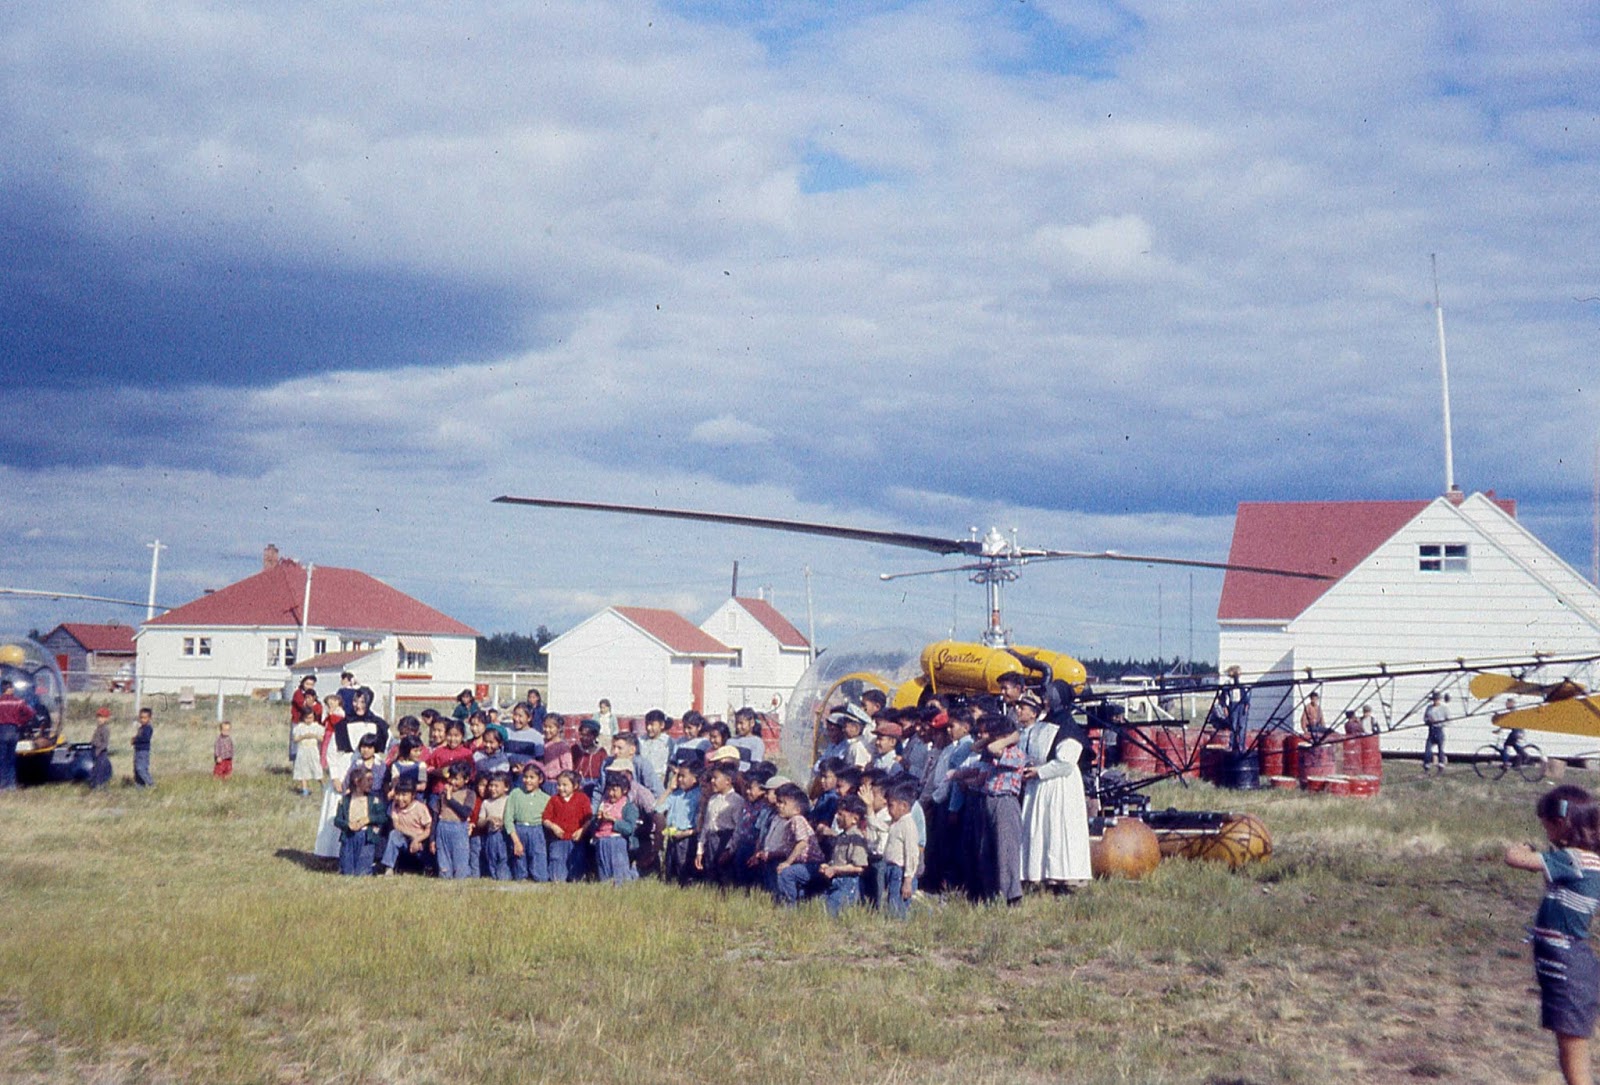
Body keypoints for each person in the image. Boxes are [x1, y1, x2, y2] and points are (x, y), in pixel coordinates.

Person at [1504, 785, 1600, 1085]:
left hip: (1567, 966)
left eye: (1545, 824)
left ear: (1561, 823)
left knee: (1572, 1051)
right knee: (1571, 1045)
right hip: (1568, 964)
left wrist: (1519, 848)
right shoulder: (1585, 861)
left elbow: (1516, 860)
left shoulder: (1573, 859)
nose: (1544, 831)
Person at [1019, 700, 1092, 890]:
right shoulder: (1043, 725)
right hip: (1040, 785)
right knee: (1041, 829)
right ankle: (1040, 876)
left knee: (1059, 830)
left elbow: (1066, 763)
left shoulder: (1068, 728)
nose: (1046, 701)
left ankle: (1064, 878)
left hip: (1061, 785)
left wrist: (1040, 771)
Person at [820, 795, 870, 916]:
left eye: (841, 814)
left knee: (833, 911)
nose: (837, 817)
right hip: (836, 880)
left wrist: (835, 869)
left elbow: (859, 867)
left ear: (854, 819)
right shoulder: (841, 837)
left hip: (848, 882)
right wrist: (828, 866)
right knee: (820, 907)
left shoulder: (856, 838)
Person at [335, 767, 387, 876]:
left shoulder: (374, 800)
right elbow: (337, 820)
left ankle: (372, 868)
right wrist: (348, 824)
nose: (371, 783)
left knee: (362, 872)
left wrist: (368, 819)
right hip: (349, 836)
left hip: (366, 837)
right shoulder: (344, 800)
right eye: (368, 780)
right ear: (357, 781)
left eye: (372, 779)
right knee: (347, 872)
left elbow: (383, 817)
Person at [542, 770, 592, 883]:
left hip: (576, 841)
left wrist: (581, 831)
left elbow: (589, 819)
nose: (561, 788)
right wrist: (553, 826)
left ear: (575, 786)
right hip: (558, 841)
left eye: (565, 785)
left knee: (576, 873)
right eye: (558, 785)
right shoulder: (554, 800)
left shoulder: (582, 799)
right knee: (557, 873)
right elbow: (545, 818)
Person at [592, 773, 640, 885]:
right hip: (602, 841)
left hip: (617, 842)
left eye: (614, 790)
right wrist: (598, 819)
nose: (611, 793)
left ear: (624, 790)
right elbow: (594, 826)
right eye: (609, 789)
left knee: (619, 870)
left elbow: (629, 828)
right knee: (604, 869)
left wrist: (613, 820)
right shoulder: (604, 803)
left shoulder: (627, 807)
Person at [882, 780, 921, 919]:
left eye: (891, 806)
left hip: (901, 871)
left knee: (899, 905)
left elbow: (911, 854)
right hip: (891, 869)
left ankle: (899, 925)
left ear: (904, 806)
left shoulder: (908, 825)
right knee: (891, 900)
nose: (888, 810)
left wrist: (908, 879)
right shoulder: (896, 823)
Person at [506, 762, 550, 882]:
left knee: (540, 870)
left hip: (537, 831)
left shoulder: (546, 798)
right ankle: (522, 878)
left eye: (532, 777)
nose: (528, 781)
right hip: (519, 830)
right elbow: (508, 818)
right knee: (520, 862)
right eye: (525, 777)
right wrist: (516, 841)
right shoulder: (515, 794)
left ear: (540, 779)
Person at [381, 780, 433, 875]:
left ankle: (427, 867)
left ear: (413, 795)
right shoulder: (395, 806)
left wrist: (417, 839)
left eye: (404, 795)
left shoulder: (420, 808)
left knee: (424, 847)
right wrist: (412, 835)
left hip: (421, 840)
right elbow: (396, 826)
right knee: (394, 835)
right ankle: (389, 867)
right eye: (398, 794)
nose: (400, 798)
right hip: (405, 839)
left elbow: (428, 829)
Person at [291, 712, 325, 796]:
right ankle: (304, 789)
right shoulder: (300, 727)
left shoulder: (316, 727)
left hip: (313, 750)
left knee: (316, 767)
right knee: (303, 769)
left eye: (311, 718)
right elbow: (295, 739)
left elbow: (322, 739)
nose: (309, 720)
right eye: (307, 718)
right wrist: (304, 736)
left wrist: (314, 735)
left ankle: (323, 785)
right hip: (302, 750)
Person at [1423, 692, 1449, 775]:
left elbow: (1448, 720)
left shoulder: (1444, 708)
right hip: (1431, 730)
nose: (1435, 701)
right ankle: (1427, 766)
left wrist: (1439, 723)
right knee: (1428, 749)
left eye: (1436, 700)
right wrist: (1428, 721)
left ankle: (1441, 766)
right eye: (1434, 700)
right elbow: (1425, 718)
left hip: (1439, 729)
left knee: (1440, 749)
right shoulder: (1429, 708)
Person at [89, 705, 114, 790]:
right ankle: (95, 784)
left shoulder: (105, 729)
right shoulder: (99, 728)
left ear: (106, 719)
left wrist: (99, 750)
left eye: (102, 717)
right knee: (96, 769)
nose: (99, 719)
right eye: (98, 717)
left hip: (101, 752)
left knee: (100, 769)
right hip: (95, 751)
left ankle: (100, 785)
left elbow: (105, 743)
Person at [132, 706, 155, 788]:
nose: (142, 720)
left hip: (143, 752)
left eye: (145, 718)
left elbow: (145, 739)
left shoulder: (148, 728)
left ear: (149, 718)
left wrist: (135, 740)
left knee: (141, 769)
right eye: (141, 717)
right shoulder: (141, 728)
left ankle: (151, 783)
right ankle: (139, 787)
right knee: (136, 770)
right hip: (137, 751)